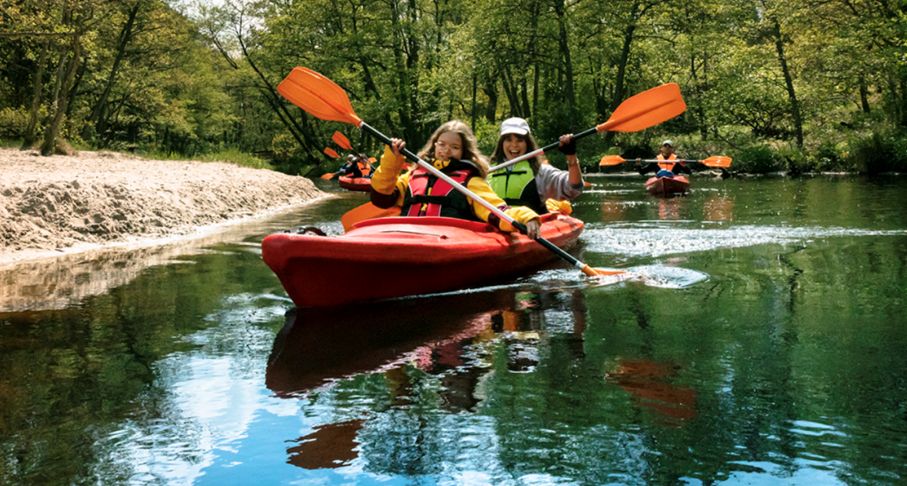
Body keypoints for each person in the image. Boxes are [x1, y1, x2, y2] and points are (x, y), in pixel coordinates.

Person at [370, 120, 542, 238]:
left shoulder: (470, 182)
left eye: (455, 147)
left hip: (447, 239)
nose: (446, 150)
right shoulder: (412, 176)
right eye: (442, 144)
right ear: (434, 144)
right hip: (405, 235)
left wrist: (526, 217)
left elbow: (497, 210)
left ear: (463, 152)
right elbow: (381, 198)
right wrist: (391, 159)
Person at [488, 117, 584, 215]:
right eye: (508, 140)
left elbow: (573, 188)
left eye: (519, 140)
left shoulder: (539, 171)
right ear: (501, 143)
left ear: (527, 143)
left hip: (530, 226)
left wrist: (571, 156)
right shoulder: (488, 171)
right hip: (495, 225)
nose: (514, 145)